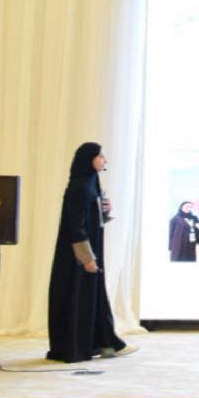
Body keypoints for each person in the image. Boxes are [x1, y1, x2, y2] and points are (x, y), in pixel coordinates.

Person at [46, 142, 127, 362]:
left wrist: (104, 210)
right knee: (78, 296)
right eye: (100, 156)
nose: (105, 160)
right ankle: (76, 348)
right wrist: (87, 258)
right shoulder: (79, 186)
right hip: (77, 256)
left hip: (91, 249)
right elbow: (75, 226)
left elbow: (91, 220)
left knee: (92, 296)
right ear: (88, 159)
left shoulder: (92, 183)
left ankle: (104, 343)